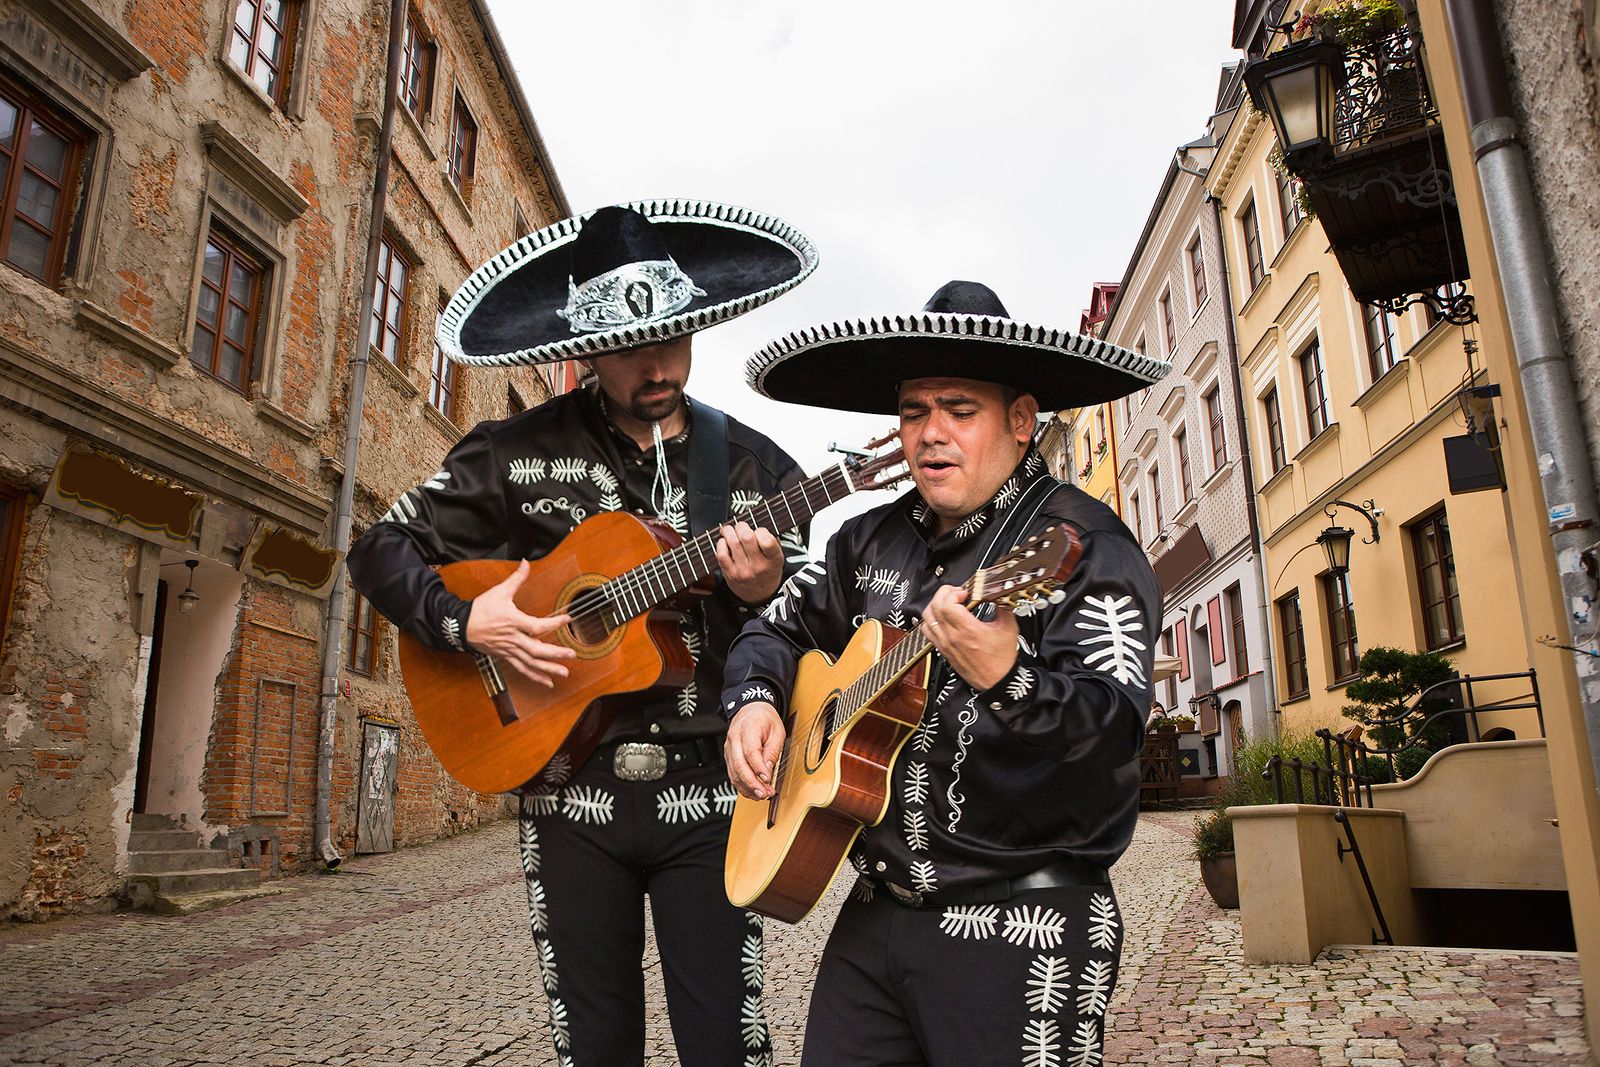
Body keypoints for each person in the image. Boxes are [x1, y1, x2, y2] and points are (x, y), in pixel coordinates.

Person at [348, 201, 820, 1066]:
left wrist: (765, 588)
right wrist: (465, 619)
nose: (659, 364)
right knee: (591, 1045)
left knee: (727, 1041)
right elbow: (377, 547)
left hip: (711, 793)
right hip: (566, 790)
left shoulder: (754, 467)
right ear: (584, 349)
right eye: (632, 347)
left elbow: (807, 628)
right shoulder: (507, 452)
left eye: (675, 339)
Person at [721, 280, 1170, 1067]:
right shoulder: (866, 542)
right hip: (877, 915)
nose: (932, 434)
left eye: (960, 409)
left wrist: (1011, 676)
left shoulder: (1087, 545)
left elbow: (1112, 730)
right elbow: (776, 626)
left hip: (1025, 921)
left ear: (1022, 420)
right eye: (913, 411)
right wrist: (754, 703)